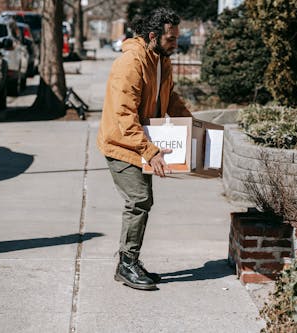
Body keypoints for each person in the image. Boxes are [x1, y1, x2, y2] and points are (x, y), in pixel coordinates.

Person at [97, 8, 192, 290]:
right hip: (121, 142)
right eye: (171, 38)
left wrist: (192, 125)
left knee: (144, 201)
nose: (176, 43)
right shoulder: (131, 62)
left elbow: (170, 97)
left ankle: (130, 261)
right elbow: (124, 116)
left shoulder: (161, 59)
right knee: (138, 200)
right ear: (153, 36)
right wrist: (149, 151)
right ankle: (126, 264)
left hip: (142, 140)